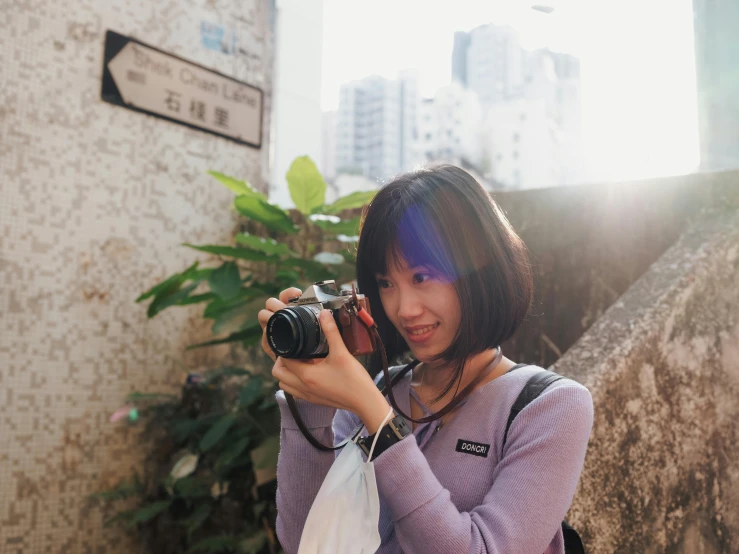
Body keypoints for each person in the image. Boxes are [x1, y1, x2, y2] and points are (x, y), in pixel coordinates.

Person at [258, 165, 594, 554]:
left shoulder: (550, 406)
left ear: (482, 272)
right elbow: (308, 540)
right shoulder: (378, 390)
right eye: (386, 283)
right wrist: (309, 397)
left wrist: (379, 420)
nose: (404, 309)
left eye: (421, 277)